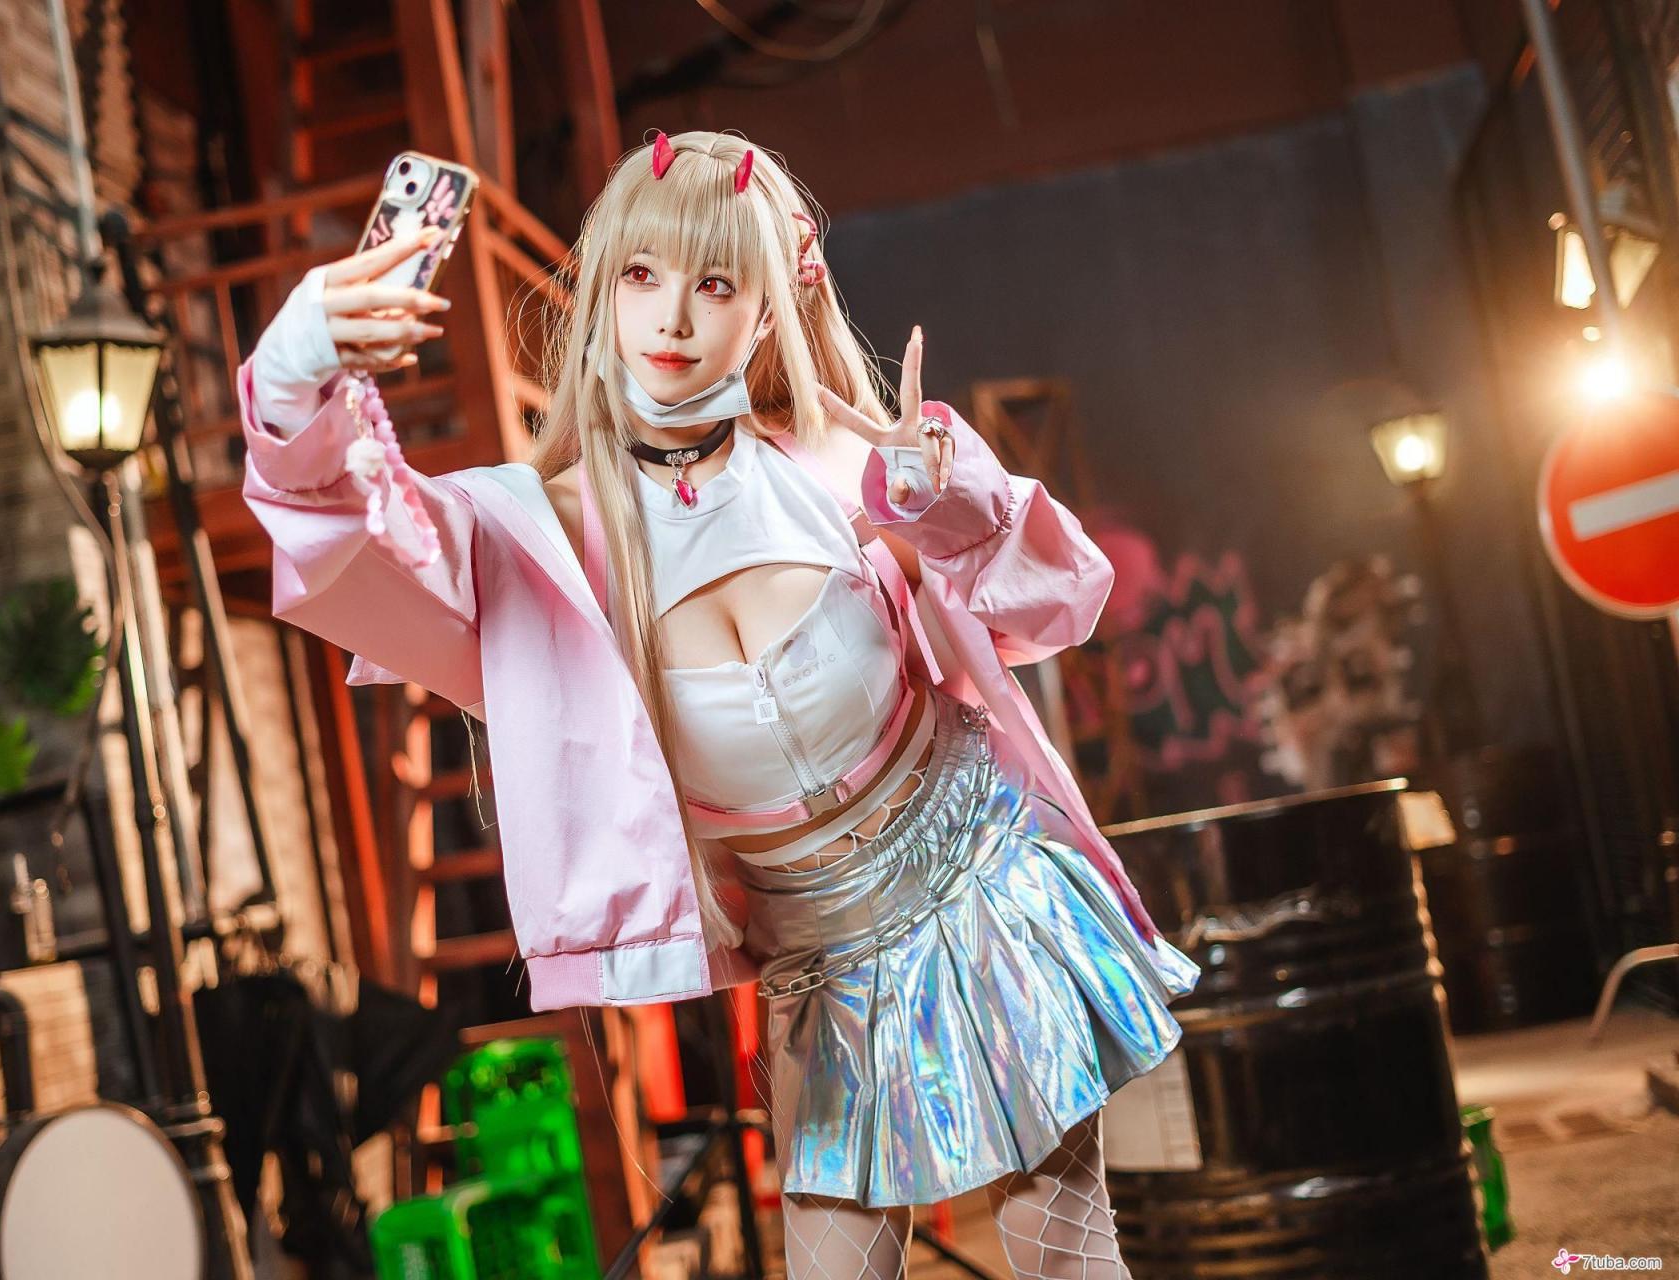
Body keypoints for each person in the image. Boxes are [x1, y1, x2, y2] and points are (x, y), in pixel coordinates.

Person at [238, 129, 1199, 1280]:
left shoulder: (839, 460)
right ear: (602, 291)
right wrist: (296, 369)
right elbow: (355, 537)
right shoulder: (536, 535)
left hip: (975, 879)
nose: (674, 318)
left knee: (1064, 1248)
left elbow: (1059, 600)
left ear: (773, 301)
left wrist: (948, 496)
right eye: (642, 274)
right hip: (817, 958)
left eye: (715, 281)